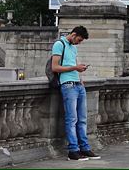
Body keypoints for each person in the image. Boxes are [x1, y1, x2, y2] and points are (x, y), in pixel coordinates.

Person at [51, 26, 100, 161]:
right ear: (73, 35)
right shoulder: (59, 45)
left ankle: (84, 148)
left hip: (78, 85)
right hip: (67, 85)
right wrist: (75, 68)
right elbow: (54, 67)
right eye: (78, 40)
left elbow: (73, 65)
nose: (79, 43)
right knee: (72, 119)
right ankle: (73, 151)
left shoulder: (73, 47)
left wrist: (80, 75)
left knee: (82, 119)